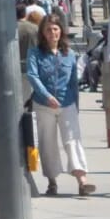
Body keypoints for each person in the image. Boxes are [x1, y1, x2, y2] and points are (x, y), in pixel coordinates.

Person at [26, 15, 95, 198]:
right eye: (48, 29)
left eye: (55, 29)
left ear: (61, 31)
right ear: (43, 32)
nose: (52, 33)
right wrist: (46, 95)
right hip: (43, 104)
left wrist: (76, 105)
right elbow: (33, 76)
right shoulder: (35, 53)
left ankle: (82, 180)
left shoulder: (69, 54)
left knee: (73, 140)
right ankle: (52, 181)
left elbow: (73, 82)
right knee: (48, 143)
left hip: (67, 103)